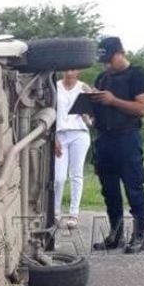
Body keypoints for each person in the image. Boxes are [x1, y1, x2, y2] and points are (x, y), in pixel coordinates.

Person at [90, 37, 144, 254]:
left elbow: (142, 108)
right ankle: (115, 235)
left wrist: (112, 100)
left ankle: (138, 236)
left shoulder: (137, 75)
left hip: (127, 138)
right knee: (109, 191)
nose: (107, 65)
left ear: (121, 52)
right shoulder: (101, 78)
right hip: (104, 139)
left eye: (109, 59)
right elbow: (98, 109)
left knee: (134, 188)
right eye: (103, 61)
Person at [54, 69, 92, 229]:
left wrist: (86, 117)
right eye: (67, 69)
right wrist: (53, 137)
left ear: (78, 71)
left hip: (79, 133)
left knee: (76, 174)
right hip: (60, 134)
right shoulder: (55, 87)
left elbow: (92, 118)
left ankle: (73, 214)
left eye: (73, 69)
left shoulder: (84, 88)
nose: (70, 73)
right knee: (58, 177)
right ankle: (55, 213)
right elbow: (50, 113)